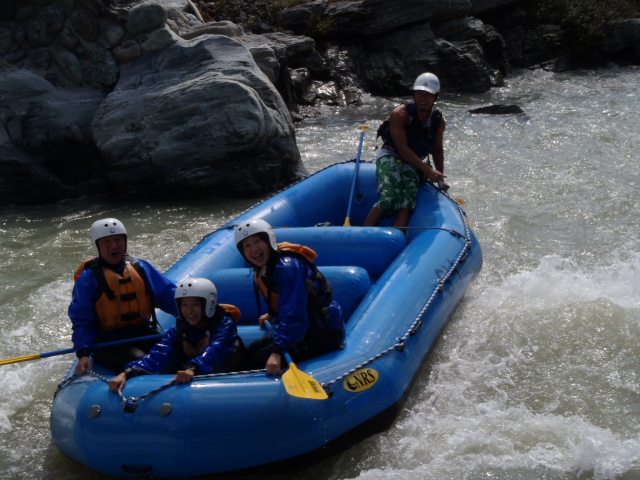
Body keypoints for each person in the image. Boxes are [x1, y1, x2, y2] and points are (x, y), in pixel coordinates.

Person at [235, 219, 345, 375]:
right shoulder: (268, 267)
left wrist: (277, 351)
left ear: (269, 240)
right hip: (305, 329)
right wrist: (272, 314)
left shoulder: (286, 267)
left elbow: (296, 315)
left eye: (257, 241)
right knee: (253, 349)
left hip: (322, 332)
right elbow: (281, 299)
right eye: (247, 246)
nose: (254, 249)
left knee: (260, 359)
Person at [69, 218, 178, 375]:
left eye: (118, 239)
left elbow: (168, 296)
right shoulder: (89, 278)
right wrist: (83, 353)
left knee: (178, 348)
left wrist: (192, 317)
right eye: (107, 241)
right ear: (97, 245)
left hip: (143, 333)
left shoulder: (140, 267)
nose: (114, 246)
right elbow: (82, 321)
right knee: (141, 360)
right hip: (109, 344)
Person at [108, 278, 244, 392]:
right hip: (195, 372)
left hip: (228, 379)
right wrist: (128, 372)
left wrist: (193, 368)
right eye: (184, 305)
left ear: (209, 304)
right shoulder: (181, 327)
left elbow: (216, 351)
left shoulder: (224, 324)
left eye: (195, 305)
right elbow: (161, 352)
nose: (189, 311)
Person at [364, 72, 448, 230]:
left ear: (435, 97)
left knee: (408, 203)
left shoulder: (438, 121)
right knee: (390, 197)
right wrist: (427, 170)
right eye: (419, 94)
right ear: (414, 95)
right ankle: (365, 233)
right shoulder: (399, 114)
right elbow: (402, 149)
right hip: (391, 155)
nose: (423, 99)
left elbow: (437, 150)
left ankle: (397, 237)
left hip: (414, 162)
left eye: (428, 95)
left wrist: (440, 179)